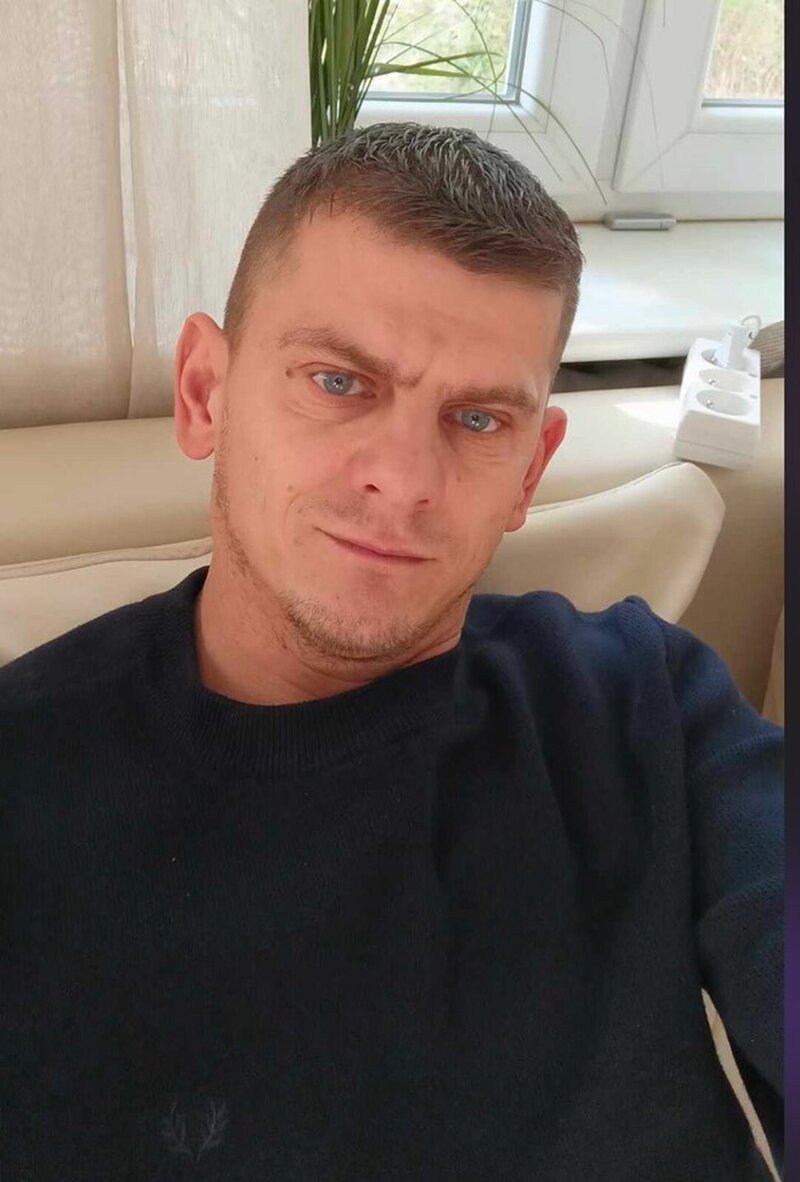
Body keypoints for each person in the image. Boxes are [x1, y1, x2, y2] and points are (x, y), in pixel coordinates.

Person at [1, 123, 783, 1181]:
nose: (405, 480)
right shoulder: (24, 775)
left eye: (477, 420)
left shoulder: (645, 704)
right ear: (204, 394)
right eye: (339, 383)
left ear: (529, 470)